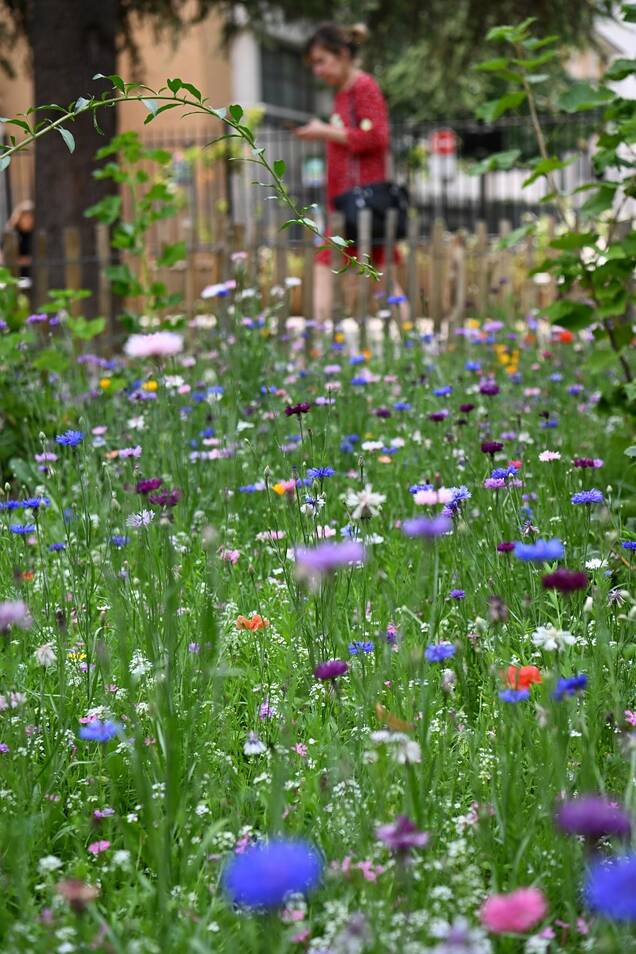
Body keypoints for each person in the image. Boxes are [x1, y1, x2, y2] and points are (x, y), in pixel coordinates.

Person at [295, 22, 407, 326]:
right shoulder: (343, 94)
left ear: (342, 54)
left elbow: (378, 137)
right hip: (346, 203)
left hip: (363, 202)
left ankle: (319, 337)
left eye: (321, 61)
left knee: (331, 264)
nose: (317, 70)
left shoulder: (363, 87)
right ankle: (408, 344)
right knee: (379, 274)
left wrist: (326, 131)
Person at [4, 200, 34, 280]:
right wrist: (22, 261)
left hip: (34, 274)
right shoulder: (11, 234)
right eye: (25, 217)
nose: (28, 220)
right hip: (16, 275)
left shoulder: (35, 234)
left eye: (30, 217)